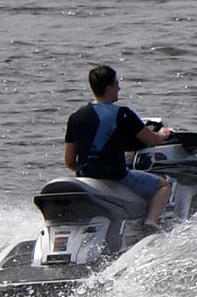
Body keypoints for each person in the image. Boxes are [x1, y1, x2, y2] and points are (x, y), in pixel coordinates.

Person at [64, 65, 175, 232]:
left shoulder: (75, 117)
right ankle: (151, 223)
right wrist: (163, 134)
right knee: (164, 186)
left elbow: (70, 162)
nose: (119, 87)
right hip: (116, 177)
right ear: (109, 87)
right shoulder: (122, 114)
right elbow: (152, 140)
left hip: (86, 178)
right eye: (116, 83)